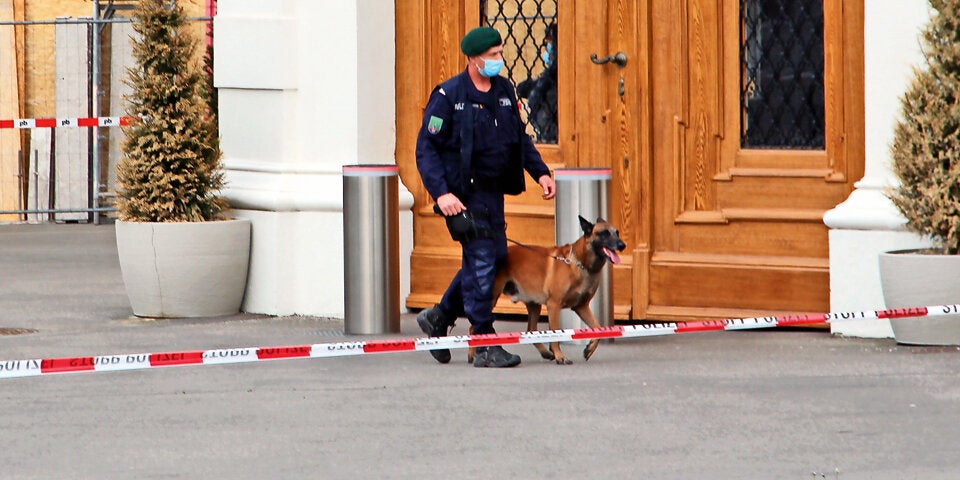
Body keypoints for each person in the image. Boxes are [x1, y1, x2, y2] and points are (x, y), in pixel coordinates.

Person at [415, 26, 557, 368]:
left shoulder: (505, 90)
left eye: (499, 53)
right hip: (462, 196)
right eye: (492, 55)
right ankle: (484, 341)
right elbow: (426, 149)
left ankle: (439, 316)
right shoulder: (448, 96)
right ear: (473, 58)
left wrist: (540, 172)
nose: (498, 60)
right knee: (482, 263)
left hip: (493, 194)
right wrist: (442, 193)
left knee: (490, 259)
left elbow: (520, 139)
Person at [516, 22, 558, 143]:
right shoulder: (548, 75)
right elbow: (522, 89)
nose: (547, 48)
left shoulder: (554, 76)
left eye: (550, 43)